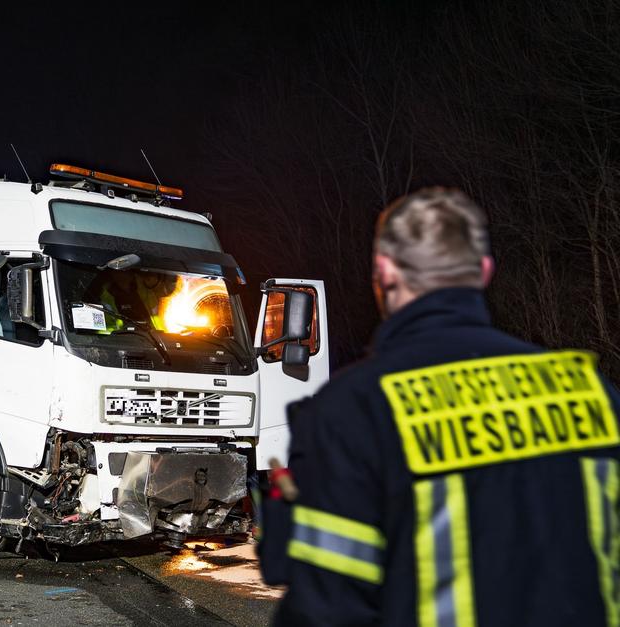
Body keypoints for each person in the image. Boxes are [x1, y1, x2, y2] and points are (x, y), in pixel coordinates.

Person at [262, 187, 620, 626]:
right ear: (485, 271)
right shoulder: (590, 390)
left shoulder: (355, 409)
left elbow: (324, 609)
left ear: (385, 271)